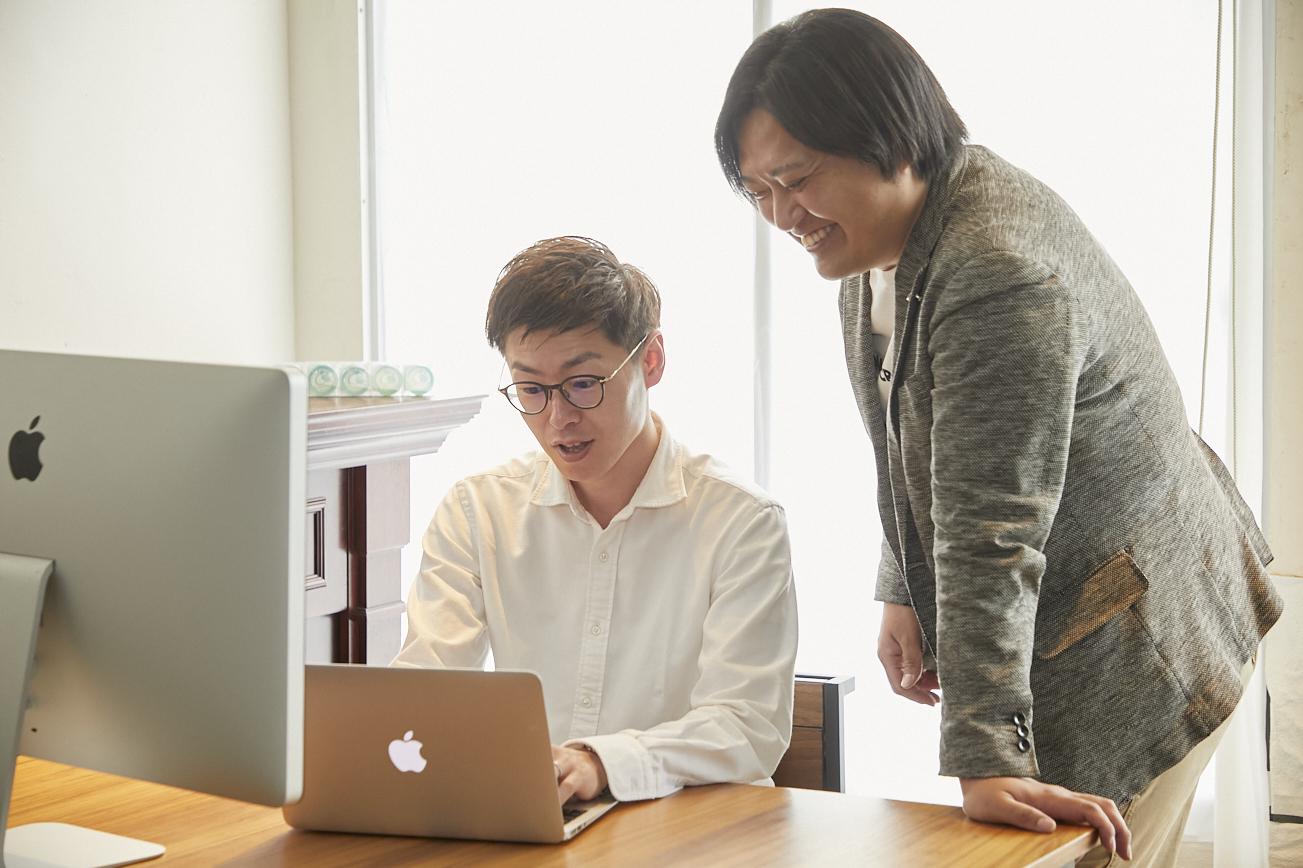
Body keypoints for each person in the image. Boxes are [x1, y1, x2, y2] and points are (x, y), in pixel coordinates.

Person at [714, 9, 1282, 866]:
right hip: (1072, 621)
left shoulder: (995, 267)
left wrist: (982, 752)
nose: (781, 214)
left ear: (888, 137)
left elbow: (992, 526)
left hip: (1139, 639)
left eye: (796, 179)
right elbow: (916, 438)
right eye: (757, 191)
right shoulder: (873, 241)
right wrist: (900, 580)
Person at [391, 235, 798, 806]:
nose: (559, 418)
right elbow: (425, 687)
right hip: (538, 821)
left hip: (694, 828)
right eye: (531, 388)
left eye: (584, 384)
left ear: (651, 361)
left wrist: (600, 762)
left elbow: (745, 727)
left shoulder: (740, 521)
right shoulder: (477, 511)